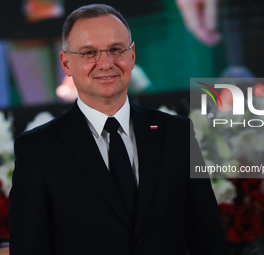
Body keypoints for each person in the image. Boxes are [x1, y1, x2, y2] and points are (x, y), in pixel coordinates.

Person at [9, 4, 228, 255]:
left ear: (132, 56)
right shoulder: (38, 149)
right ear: (66, 63)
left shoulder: (177, 134)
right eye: (89, 53)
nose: (105, 63)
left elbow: (209, 240)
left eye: (116, 50)